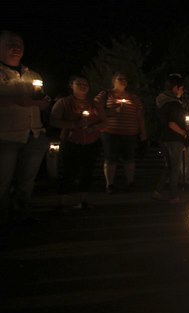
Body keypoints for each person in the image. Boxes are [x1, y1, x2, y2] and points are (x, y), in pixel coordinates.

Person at [0, 30, 50, 228]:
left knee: (26, 182)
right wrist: (20, 101)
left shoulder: (33, 74)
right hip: (5, 136)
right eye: (10, 44)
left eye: (19, 44)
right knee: (2, 183)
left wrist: (43, 102)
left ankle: (21, 214)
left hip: (33, 134)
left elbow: (42, 98)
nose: (16, 48)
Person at [49, 75, 106, 209]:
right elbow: (53, 121)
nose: (82, 85)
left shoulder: (94, 104)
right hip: (71, 141)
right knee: (69, 171)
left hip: (91, 142)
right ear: (71, 86)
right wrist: (74, 124)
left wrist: (93, 127)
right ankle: (63, 201)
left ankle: (83, 200)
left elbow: (105, 121)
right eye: (78, 83)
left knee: (87, 171)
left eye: (85, 83)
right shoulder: (64, 102)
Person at [94, 72, 146, 194]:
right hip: (110, 133)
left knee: (129, 159)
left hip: (130, 134)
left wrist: (143, 133)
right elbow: (96, 110)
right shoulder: (105, 94)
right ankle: (110, 184)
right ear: (114, 81)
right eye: (120, 78)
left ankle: (130, 183)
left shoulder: (133, 97)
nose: (123, 80)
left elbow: (140, 116)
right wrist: (114, 111)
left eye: (125, 79)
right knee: (110, 159)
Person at [152, 74, 188, 203]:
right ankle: (174, 195)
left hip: (163, 138)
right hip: (174, 139)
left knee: (168, 166)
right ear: (176, 88)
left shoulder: (161, 103)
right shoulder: (174, 104)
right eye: (181, 88)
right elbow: (172, 123)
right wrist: (183, 132)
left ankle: (157, 191)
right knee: (174, 167)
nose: (182, 91)